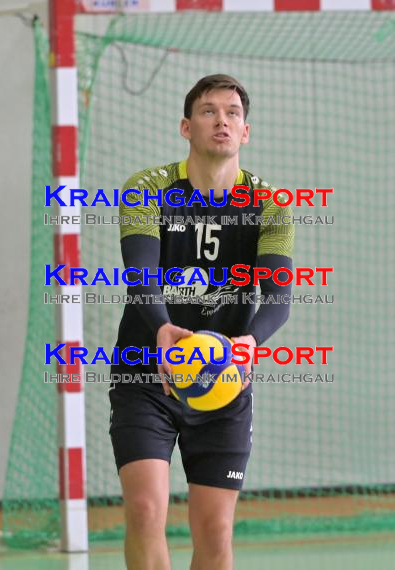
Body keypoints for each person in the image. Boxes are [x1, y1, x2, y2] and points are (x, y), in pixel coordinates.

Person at [109, 74, 294, 569]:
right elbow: (141, 276)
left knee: (214, 530)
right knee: (146, 509)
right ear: (186, 127)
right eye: (209, 111)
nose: (222, 120)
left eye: (233, 113)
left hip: (223, 380)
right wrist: (163, 329)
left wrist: (252, 341)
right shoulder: (146, 188)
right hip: (146, 371)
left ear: (246, 132)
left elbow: (279, 296)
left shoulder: (270, 205)